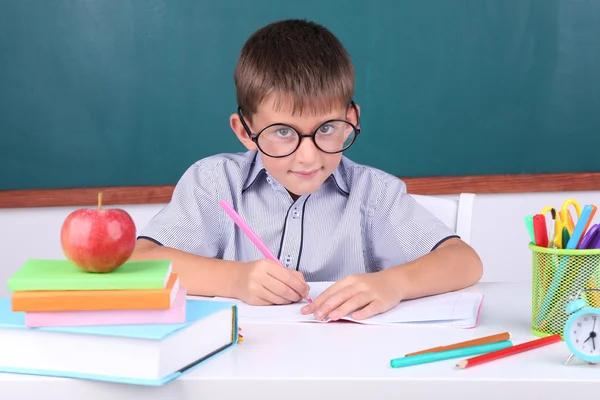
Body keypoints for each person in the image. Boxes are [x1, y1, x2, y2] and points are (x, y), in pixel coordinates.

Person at [131, 19, 483, 322]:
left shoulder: (373, 193)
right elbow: (140, 262)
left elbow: (465, 262)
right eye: (283, 132)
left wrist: (394, 283)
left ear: (351, 121)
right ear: (245, 132)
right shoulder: (214, 183)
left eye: (327, 129)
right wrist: (235, 280)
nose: (308, 157)